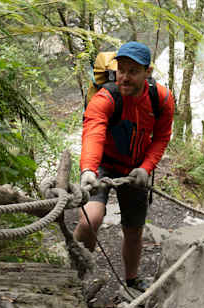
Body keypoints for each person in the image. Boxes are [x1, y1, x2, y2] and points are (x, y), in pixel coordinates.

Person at [74, 41, 174, 292]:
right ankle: (72, 274)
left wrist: (146, 167)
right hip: (102, 164)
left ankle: (131, 279)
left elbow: (161, 137)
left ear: (147, 72)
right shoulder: (105, 97)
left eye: (133, 71)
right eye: (121, 70)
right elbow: (93, 132)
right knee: (90, 220)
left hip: (136, 168)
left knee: (133, 230)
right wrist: (88, 169)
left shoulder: (160, 99)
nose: (125, 77)